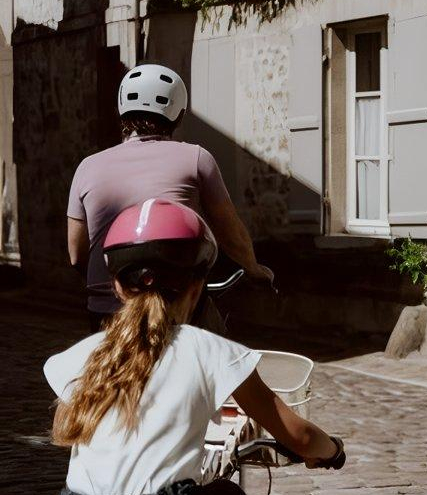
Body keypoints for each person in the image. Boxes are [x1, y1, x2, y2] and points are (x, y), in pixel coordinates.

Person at [45, 199, 344, 495]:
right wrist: (332, 450)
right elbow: (300, 436)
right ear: (197, 285)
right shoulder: (211, 351)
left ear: (117, 286)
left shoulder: (83, 356)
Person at [66, 63, 272, 330]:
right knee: (216, 360)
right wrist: (255, 270)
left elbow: (75, 254)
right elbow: (230, 234)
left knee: (107, 370)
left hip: (108, 309)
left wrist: (109, 282)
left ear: (121, 109)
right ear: (179, 114)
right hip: (176, 306)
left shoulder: (87, 166)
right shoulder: (197, 158)